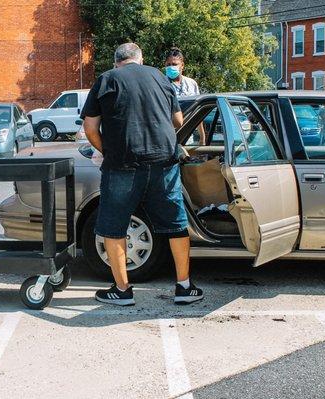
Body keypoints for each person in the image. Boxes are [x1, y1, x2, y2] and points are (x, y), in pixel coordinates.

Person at [81, 43, 204, 306]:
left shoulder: (107, 79)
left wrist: (109, 151)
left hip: (123, 165)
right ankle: (184, 287)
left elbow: (91, 128)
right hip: (163, 162)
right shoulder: (160, 78)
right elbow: (179, 121)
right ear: (141, 60)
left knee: (113, 226)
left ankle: (122, 291)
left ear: (117, 63)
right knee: (175, 224)